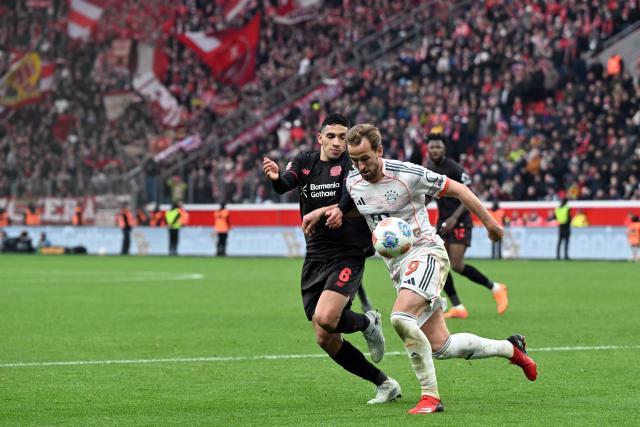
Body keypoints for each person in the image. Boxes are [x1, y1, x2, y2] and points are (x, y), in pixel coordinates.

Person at [318, 124, 537, 415]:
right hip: (398, 267)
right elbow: (358, 207)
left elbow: (458, 189)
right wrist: (333, 213)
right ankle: (511, 348)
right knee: (441, 347)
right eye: (354, 159)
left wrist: (490, 223)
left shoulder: (409, 174)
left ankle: (431, 397)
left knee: (400, 317)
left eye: (365, 158)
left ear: (379, 151)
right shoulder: (353, 181)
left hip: (427, 252)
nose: (360, 165)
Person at [262, 114, 400, 405]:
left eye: (343, 136)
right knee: (324, 337)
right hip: (315, 254)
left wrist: (331, 209)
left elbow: (354, 196)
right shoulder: (304, 162)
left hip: (348, 252)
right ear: (320, 138)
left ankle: (366, 322)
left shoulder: (353, 164)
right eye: (332, 136)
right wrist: (275, 177)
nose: (338, 142)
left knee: (326, 318)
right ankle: (384, 383)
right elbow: (284, 184)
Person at [425, 133, 508, 319]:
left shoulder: (454, 168)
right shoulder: (428, 169)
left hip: (460, 219)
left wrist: (454, 218)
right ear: (427, 149)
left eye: (438, 147)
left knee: (456, 264)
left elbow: (469, 193)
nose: (435, 150)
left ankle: (496, 287)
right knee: (440, 264)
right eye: (432, 147)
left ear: (444, 149)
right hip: (443, 221)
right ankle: (458, 307)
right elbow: (429, 194)